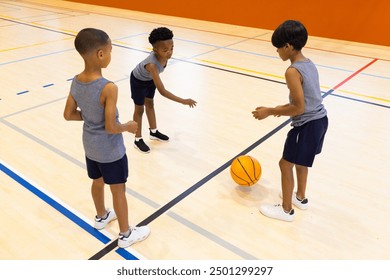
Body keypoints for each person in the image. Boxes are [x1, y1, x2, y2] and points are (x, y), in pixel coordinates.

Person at [63, 28, 150, 247]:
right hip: (110, 151)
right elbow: (111, 127)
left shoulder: (76, 81)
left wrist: (90, 116)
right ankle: (125, 233)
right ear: (101, 54)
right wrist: (129, 127)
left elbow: (68, 115)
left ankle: (101, 216)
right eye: (111, 51)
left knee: (97, 181)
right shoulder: (108, 88)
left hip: (90, 147)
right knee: (118, 189)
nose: (111, 55)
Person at [252, 20, 328, 222]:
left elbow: (299, 108)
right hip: (320, 120)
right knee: (301, 162)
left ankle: (286, 210)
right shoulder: (308, 63)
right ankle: (300, 198)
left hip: (306, 125)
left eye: (278, 47)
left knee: (285, 165)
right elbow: (307, 101)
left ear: (288, 46)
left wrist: (270, 110)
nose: (277, 51)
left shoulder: (292, 71)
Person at [130, 27, 197, 153]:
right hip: (138, 81)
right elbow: (163, 91)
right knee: (139, 110)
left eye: (172, 48)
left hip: (149, 79)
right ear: (155, 49)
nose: (169, 52)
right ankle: (137, 139)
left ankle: (153, 132)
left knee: (150, 104)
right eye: (165, 50)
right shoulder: (152, 65)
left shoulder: (164, 57)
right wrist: (183, 101)